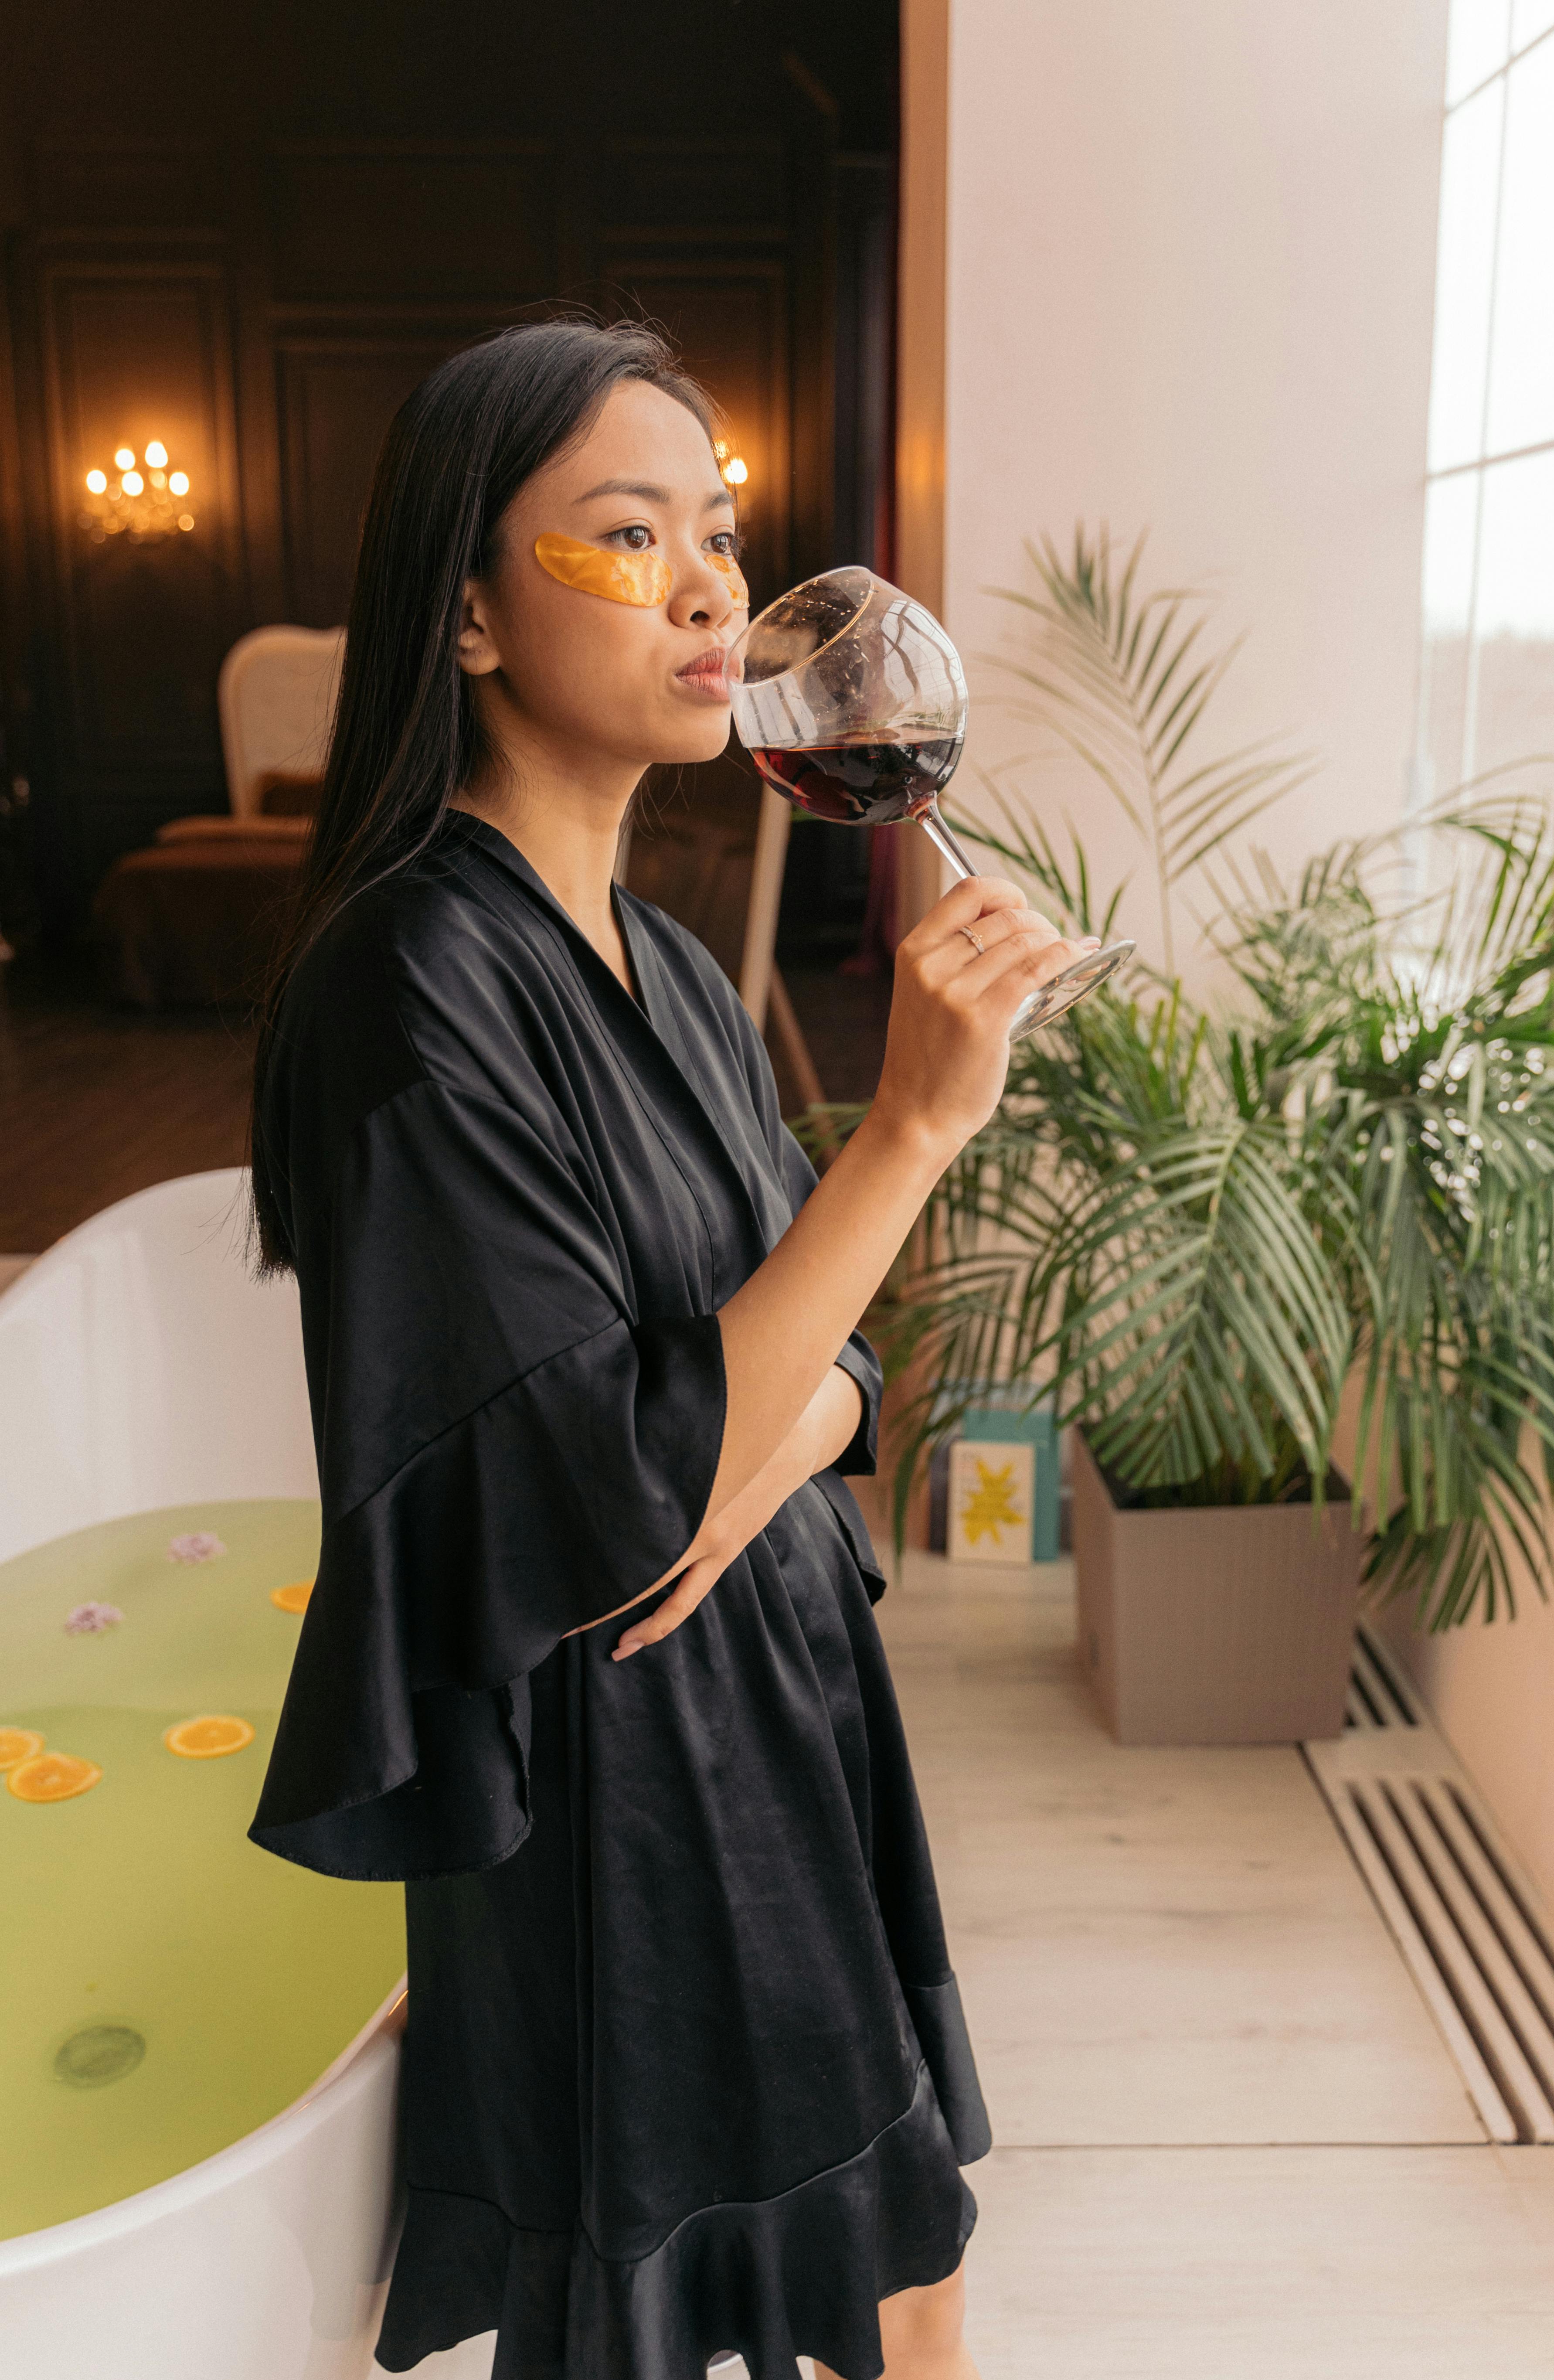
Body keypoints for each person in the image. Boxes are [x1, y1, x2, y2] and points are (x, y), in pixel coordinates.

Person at [247, 318, 1092, 2380]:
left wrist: (769, 1420)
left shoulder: (678, 981)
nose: (714, 586)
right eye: (630, 538)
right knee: (817, 2311)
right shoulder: (412, 983)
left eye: (715, 530)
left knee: (901, 2285)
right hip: (628, 1805)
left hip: (787, 1720)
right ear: (464, 610)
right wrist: (907, 1133)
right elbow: (612, 1498)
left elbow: (816, 1373)